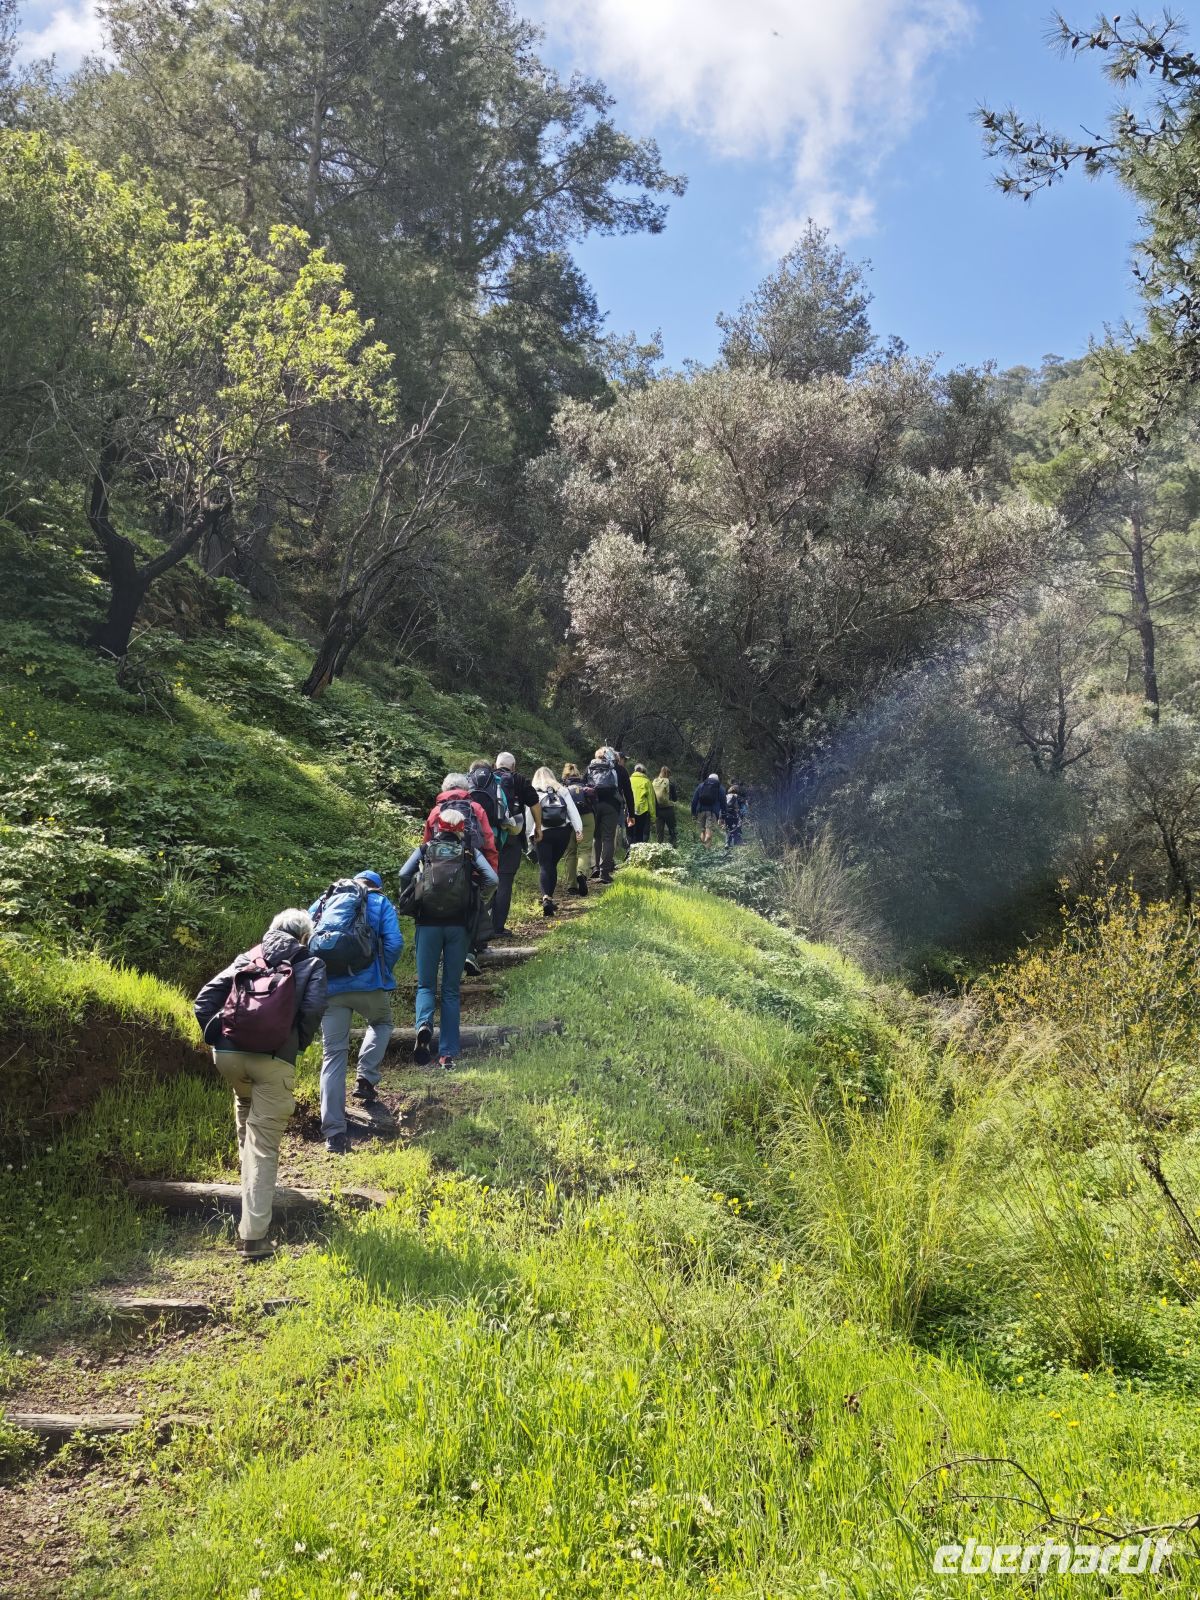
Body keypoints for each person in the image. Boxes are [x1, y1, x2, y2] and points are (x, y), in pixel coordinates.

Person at [193, 909, 327, 1261]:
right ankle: (253, 1238)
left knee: (247, 1116)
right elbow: (312, 1011)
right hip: (273, 1060)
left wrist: (217, 1036)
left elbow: (205, 998)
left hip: (228, 1056)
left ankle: (253, 1191)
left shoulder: (248, 957)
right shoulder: (310, 963)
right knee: (264, 1145)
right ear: (303, 936)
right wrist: (293, 1044)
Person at [308, 871, 403, 1155]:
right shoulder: (379, 902)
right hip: (368, 985)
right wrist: (382, 971)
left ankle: (334, 1134)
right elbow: (395, 943)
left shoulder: (326, 900)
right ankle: (366, 1077)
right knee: (382, 1022)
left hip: (329, 989)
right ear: (376, 887)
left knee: (333, 1053)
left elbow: (305, 936)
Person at [399, 807, 498, 1070]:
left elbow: (403, 874)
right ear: (461, 829)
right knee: (451, 990)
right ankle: (447, 1054)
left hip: (428, 924)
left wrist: (414, 897)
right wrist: (477, 901)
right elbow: (492, 879)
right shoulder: (469, 852)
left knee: (426, 986)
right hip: (458, 926)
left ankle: (423, 1025)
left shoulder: (425, 849)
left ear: (438, 827)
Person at [426, 769, 498, 973]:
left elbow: (427, 843)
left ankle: (443, 958)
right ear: (467, 789)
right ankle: (469, 953)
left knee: (443, 913)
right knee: (471, 909)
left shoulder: (435, 812)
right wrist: (490, 869)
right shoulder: (476, 808)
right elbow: (488, 841)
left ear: (444, 789)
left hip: (439, 874)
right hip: (472, 869)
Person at [490, 751, 542, 938]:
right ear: (513, 767)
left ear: (495, 765)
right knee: (504, 881)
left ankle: (480, 928)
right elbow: (535, 804)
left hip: (487, 838)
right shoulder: (519, 780)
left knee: (484, 880)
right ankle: (497, 927)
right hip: (511, 837)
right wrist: (538, 828)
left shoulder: (485, 778)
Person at [529, 766, 583, 915]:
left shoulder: (533, 792)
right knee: (552, 864)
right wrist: (579, 829)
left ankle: (546, 898)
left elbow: (529, 814)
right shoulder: (562, 790)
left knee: (545, 865)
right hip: (562, 832)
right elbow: (572, 810)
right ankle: (550, 899)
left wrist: (529, 835)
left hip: (542, 832)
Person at [586, 746, 624, 883]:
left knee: (596, 837)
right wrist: (630, 812)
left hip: (594, 805)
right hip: (611, 806)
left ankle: (595, 867)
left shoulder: (590, 767)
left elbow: (585, 785)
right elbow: (628, 791)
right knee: (608, 838)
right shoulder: (617, 769)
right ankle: (605, 872)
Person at [560, 763, 595, 896]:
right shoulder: (585, 786)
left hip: (569, 820)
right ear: (578, 774)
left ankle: (571, 885)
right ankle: (581, 874)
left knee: (570, 852)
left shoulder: (563, 789)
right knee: (584, 849)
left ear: (565, 775)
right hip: (587, 817)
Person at [691, 772, 726, 846]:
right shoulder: (720, 788)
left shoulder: (701, 785)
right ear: (717, 780)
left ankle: (701, 849)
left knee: (702, 831)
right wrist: (723, 817)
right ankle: (706, 852)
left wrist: (693, 813)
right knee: (709, 831)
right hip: (712, 812)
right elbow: (724, 804)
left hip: (700, 811)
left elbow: (694, 800)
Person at [627, 762, 658, 845]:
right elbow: (651, 801)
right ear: (644, 772)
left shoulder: (629, 779)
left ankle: (629, 850)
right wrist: (653, 817)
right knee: (640, 832)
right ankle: (638, 851)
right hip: (642, 810)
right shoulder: (647, 782)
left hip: (629, 810)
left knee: (630, 831)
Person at [614, 751, 637, 860]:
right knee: (615, 832)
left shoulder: (596, 767)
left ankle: (595, 864)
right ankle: (608, 862)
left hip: (596, 805)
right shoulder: (622, 770)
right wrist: (631, 814)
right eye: (624, 760)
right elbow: (628, 793)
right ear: (620, 759)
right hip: (616, 805)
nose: (625, 762)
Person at [653, 766, 678, 845]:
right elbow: (675, 799)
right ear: (668, 774)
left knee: (659, 833)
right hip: (668, 810)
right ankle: (673, 847)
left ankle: (659, 848)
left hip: (657, 810)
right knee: (672, 830)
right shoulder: (670, 783)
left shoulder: (654, 782)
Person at [723, 782, 748, 848]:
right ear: (737, 790)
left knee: (728, 829)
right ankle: (736, 842)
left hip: (726, 814)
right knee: (735, 828)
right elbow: (742, 803)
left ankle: (727, 843)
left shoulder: (725, 796)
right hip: (734, 814)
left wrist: (721, 817)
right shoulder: (737, 796)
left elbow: (722, 806)